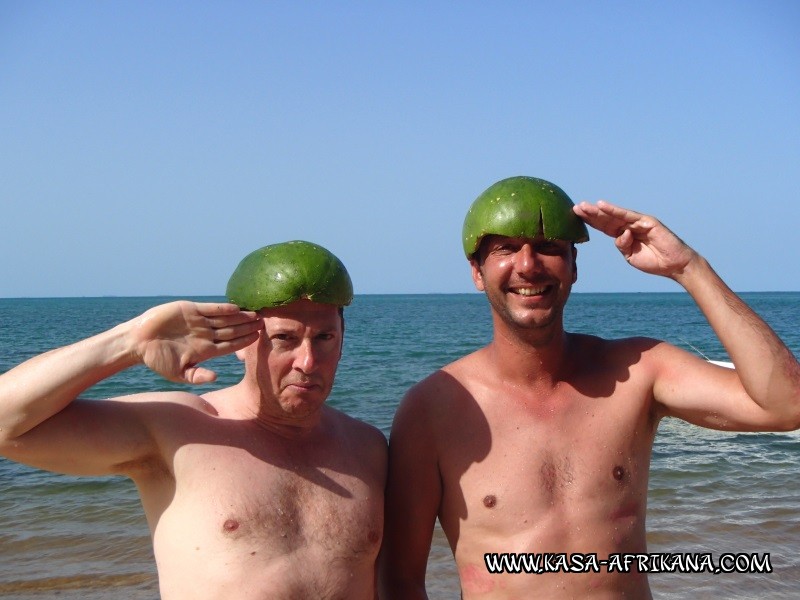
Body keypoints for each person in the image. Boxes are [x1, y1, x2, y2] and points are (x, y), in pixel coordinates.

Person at [379, 176, 800, 599]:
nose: (528, 265)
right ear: (477, 272)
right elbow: (400, 580)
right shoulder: (433, 409)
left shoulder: (639, 371)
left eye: (549, 248)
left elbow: (786, 404)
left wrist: (688, 268)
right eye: (506, 248)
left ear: (574, 267)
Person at [0, 240, 386, 599]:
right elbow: (7, 427)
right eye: (284, 339)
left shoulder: (367, 448)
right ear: (242, 341)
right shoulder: (178, 430)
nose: (307, 362)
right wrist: (129, 343)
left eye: (324, 338)